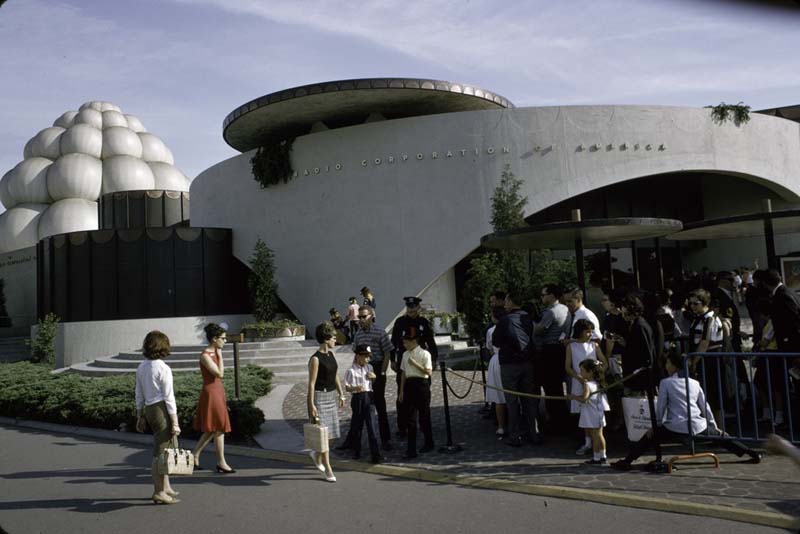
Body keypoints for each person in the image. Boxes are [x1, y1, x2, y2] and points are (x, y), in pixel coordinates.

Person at [611, 351, 762, 470]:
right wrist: (714, 427)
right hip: (698, 426)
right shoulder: (694, 383)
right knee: (723, 437)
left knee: (649, 436)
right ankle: (752, 453)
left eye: (668, 363)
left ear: (674, 366)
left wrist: (655, 425)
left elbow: (661, 406)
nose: (666, 366)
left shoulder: (666, 383)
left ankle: (627, 461)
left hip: (675, 427)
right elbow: (705, 406)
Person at [135, 330, 181, 505]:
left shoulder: (141, 366)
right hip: (162, 409)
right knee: (160, 453)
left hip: (149, 409)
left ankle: (166, 486)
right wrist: (175, 422)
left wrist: (140, 415)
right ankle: (159, 491)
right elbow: (169, 397)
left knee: (163, 450)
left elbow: (138, 393)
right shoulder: (163, 368)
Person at [492, 289, 540, 447]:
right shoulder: (528, 318)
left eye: (506, 301)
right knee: (529, 399)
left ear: (511, 302)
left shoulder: (505, 320)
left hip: (509, 364)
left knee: (512, 401)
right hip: (528, 363)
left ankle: (515, 435)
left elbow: (496, 341)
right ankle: (533, 433)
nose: (505, 304)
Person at [348, 305, 395, 450]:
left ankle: (385, 440)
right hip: (362, 370)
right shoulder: (358, 334)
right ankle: (352, 440)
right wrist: (354, 372)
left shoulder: (380, 332)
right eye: (359, 317)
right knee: (360, 406)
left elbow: (387, 353)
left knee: (379, 406)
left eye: (364, 316)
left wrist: (381, 373)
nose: (361, 319)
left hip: (377, 368)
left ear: (372, 316)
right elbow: (356, 355)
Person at [390, 296, 438, 439]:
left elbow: (431, 341)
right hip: (404, 361)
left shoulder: (423, 322)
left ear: (418, 307)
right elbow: (393, 342)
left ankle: (424, 427)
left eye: (413, 307)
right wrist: (393, 360)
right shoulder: (400, 322)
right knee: (402, 394)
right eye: (409, 307)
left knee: (422, 397)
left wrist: (434, 359)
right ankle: (403, 426)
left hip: (421, 361)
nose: (411, 309)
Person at [191, 323, 235, 474]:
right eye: (223, 338)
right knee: (219, 428)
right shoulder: (205, 355)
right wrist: (221, 356)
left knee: (212, 429)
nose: (225, 341)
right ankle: (221, 462)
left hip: (217, 391)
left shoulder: (213, 353)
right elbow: (219, 374)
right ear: (215, 339)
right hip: (211, 393)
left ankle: (194, 456)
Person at [307, 321, 345, 482]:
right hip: (320, 397)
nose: (335, 340)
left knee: (332, 435)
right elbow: (311, 383)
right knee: (324, 435)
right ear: (326, 338)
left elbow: (335, 374)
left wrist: (341, 393)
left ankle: (316, 454)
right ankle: (328, 469)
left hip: (331, 397)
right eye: (333, 337)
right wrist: (312, 404)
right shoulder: (315, 359)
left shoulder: (331, 354)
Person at [565, 319, 607, 455]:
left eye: (591, 331)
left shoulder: (594, 346)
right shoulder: (571, 347)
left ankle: (597, 443)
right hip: (580, 381)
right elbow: (568, 366)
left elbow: (604, 363)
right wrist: (579, 378)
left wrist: (597, 374)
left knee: (594, 410)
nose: (590, 334)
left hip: (594, 383)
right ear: (580, 331)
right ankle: (588, 442)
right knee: (584, 412)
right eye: (587, 331)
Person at [533, 284, 569, 434]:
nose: (541, 297)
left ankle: (555, 423)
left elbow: (538, 329)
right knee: (557, 388)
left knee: (550, 388)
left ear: (552, 296)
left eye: (543, 294)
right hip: (560, 350)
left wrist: (531, 321)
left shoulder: (551, 312)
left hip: (549, 351)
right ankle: (561, 420)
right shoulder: (565, 308)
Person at [398, 326, 434, 460]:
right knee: (410, 419)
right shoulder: (404, 354)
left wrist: (415, 364)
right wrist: (401, 391)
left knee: (424, 416)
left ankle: (429, 442)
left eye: (406, 342)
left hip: (422, 385)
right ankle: (411, 449)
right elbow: (403, 373)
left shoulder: (425, 354)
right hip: (409, 385)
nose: (404, 344)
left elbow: (429, 372)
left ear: (414, 341)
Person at [343, 344, 381, 463]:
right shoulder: (350, 370)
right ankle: (356, 451)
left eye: (369, 357)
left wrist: (374, 377)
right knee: (357, 425)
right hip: (358, 398)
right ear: (358, 356)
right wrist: (354, 388)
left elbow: (372, 382)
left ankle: (375, 454)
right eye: (365, 357)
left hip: (369, 396)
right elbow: (347, 387)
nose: (368, 359)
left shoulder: (369, 367)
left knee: (372, 426)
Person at [569, 358, 610, 465]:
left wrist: (573, 397)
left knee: (595, 436)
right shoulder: (598, 383)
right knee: (600, 435)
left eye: (582, 370)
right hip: (599, 412)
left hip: (592, 414)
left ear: (590, 372)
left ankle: (596, 458)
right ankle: (603, 456)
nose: (580, 373)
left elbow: (584, 399)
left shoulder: (588, 385)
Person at [485, 305, 507, 437]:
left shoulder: (491, 330)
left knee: (499, 396)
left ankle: (501, 426)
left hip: (497, 359)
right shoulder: (509, 327)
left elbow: (490, 347)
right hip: (508, 359)